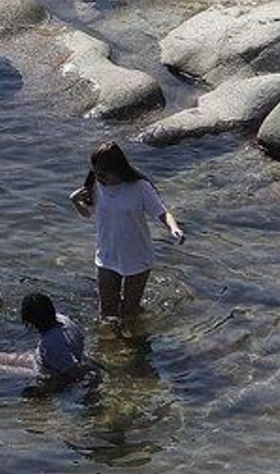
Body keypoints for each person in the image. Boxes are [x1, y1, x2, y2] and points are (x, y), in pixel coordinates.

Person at [71, 140, 184, 332]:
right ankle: (109, 345)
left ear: (118, 169)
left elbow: (162, 212)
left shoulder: (139, 187)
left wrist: (174, 228)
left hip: (137, 257)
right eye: (95, 173)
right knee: (107, 313)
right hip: (107, 256)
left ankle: (132, 342)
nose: (98, 178)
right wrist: (75, 202)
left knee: (129, 313)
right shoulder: (96, 186)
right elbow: (88, 212)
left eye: (102, 174)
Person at [18, 291, 88, 386]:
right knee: (0, 360)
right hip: (49, 361)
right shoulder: (63, 319)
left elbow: (74, 373)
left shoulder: (50, 344)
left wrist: (50, 386)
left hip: (49, 374)